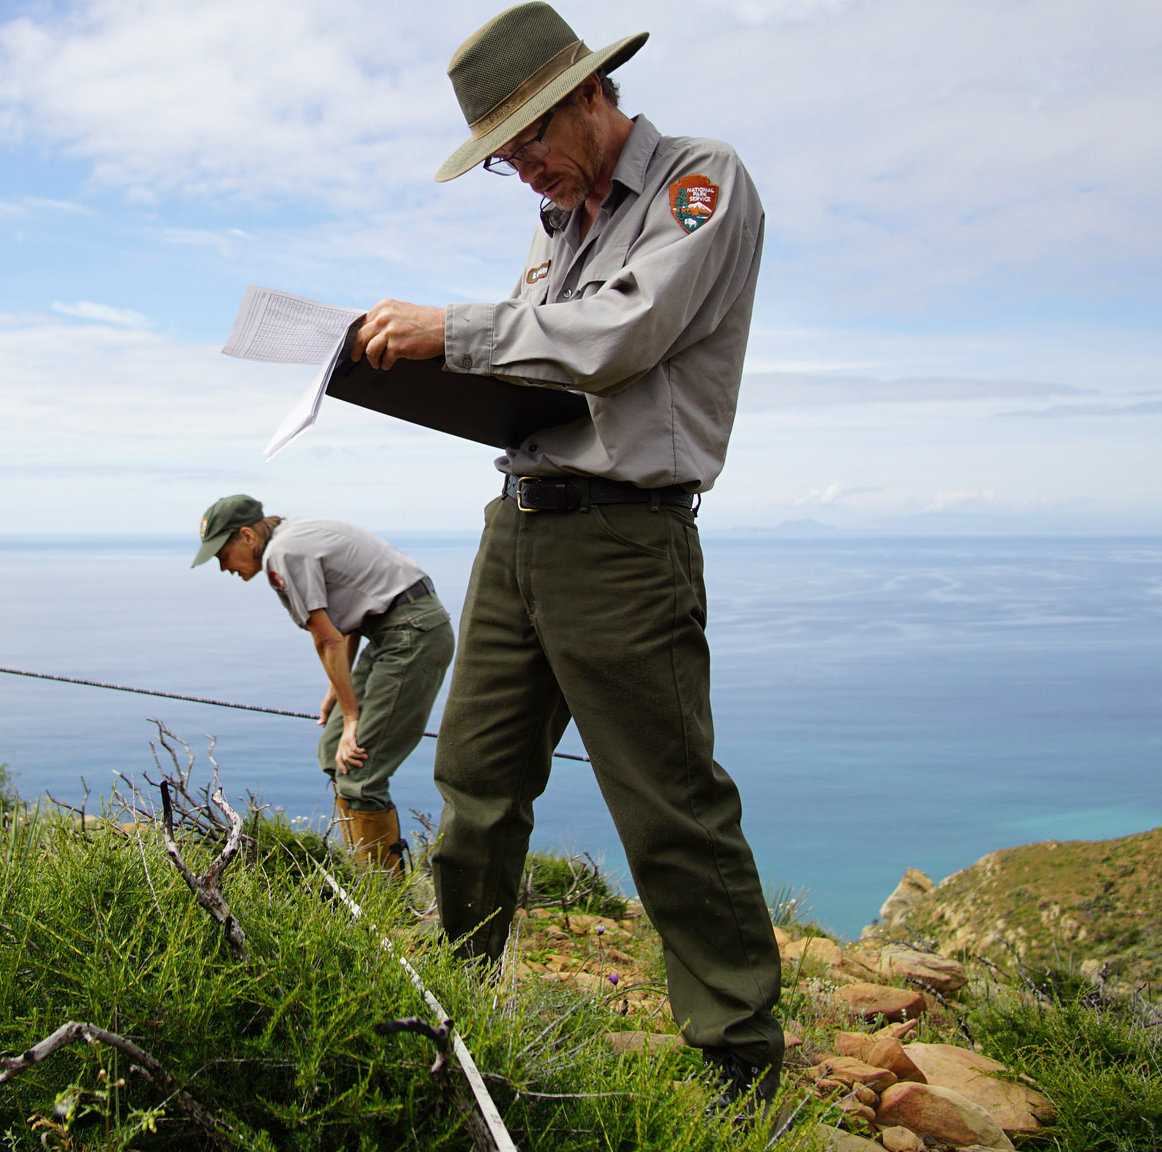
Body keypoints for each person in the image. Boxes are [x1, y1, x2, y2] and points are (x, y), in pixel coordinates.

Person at [346, 2, 784, 1098]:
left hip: (625, 541)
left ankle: (736, 1062)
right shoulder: (556, 221)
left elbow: (622, 333)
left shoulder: (700, 180)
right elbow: (534, 371)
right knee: (473, 780)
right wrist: (405, 377)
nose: (523, 171)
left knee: (666, 802)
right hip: (518, 522)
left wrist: (455, 329)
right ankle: (453, 1009)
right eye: (502, 159)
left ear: (587, 94)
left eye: (528, 140)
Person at [191, 495, 453, 872]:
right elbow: (343, 621)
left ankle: (386, 897)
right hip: (395, 629)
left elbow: (326, 638)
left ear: (247, 536)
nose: (221, 567)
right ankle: (365, 873)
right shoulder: (294, 534)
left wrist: (352, 720)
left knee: (360, 771)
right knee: (335, 750)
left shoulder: (282, 556)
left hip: (411, 634)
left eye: (221, 554)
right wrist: (337, 691)